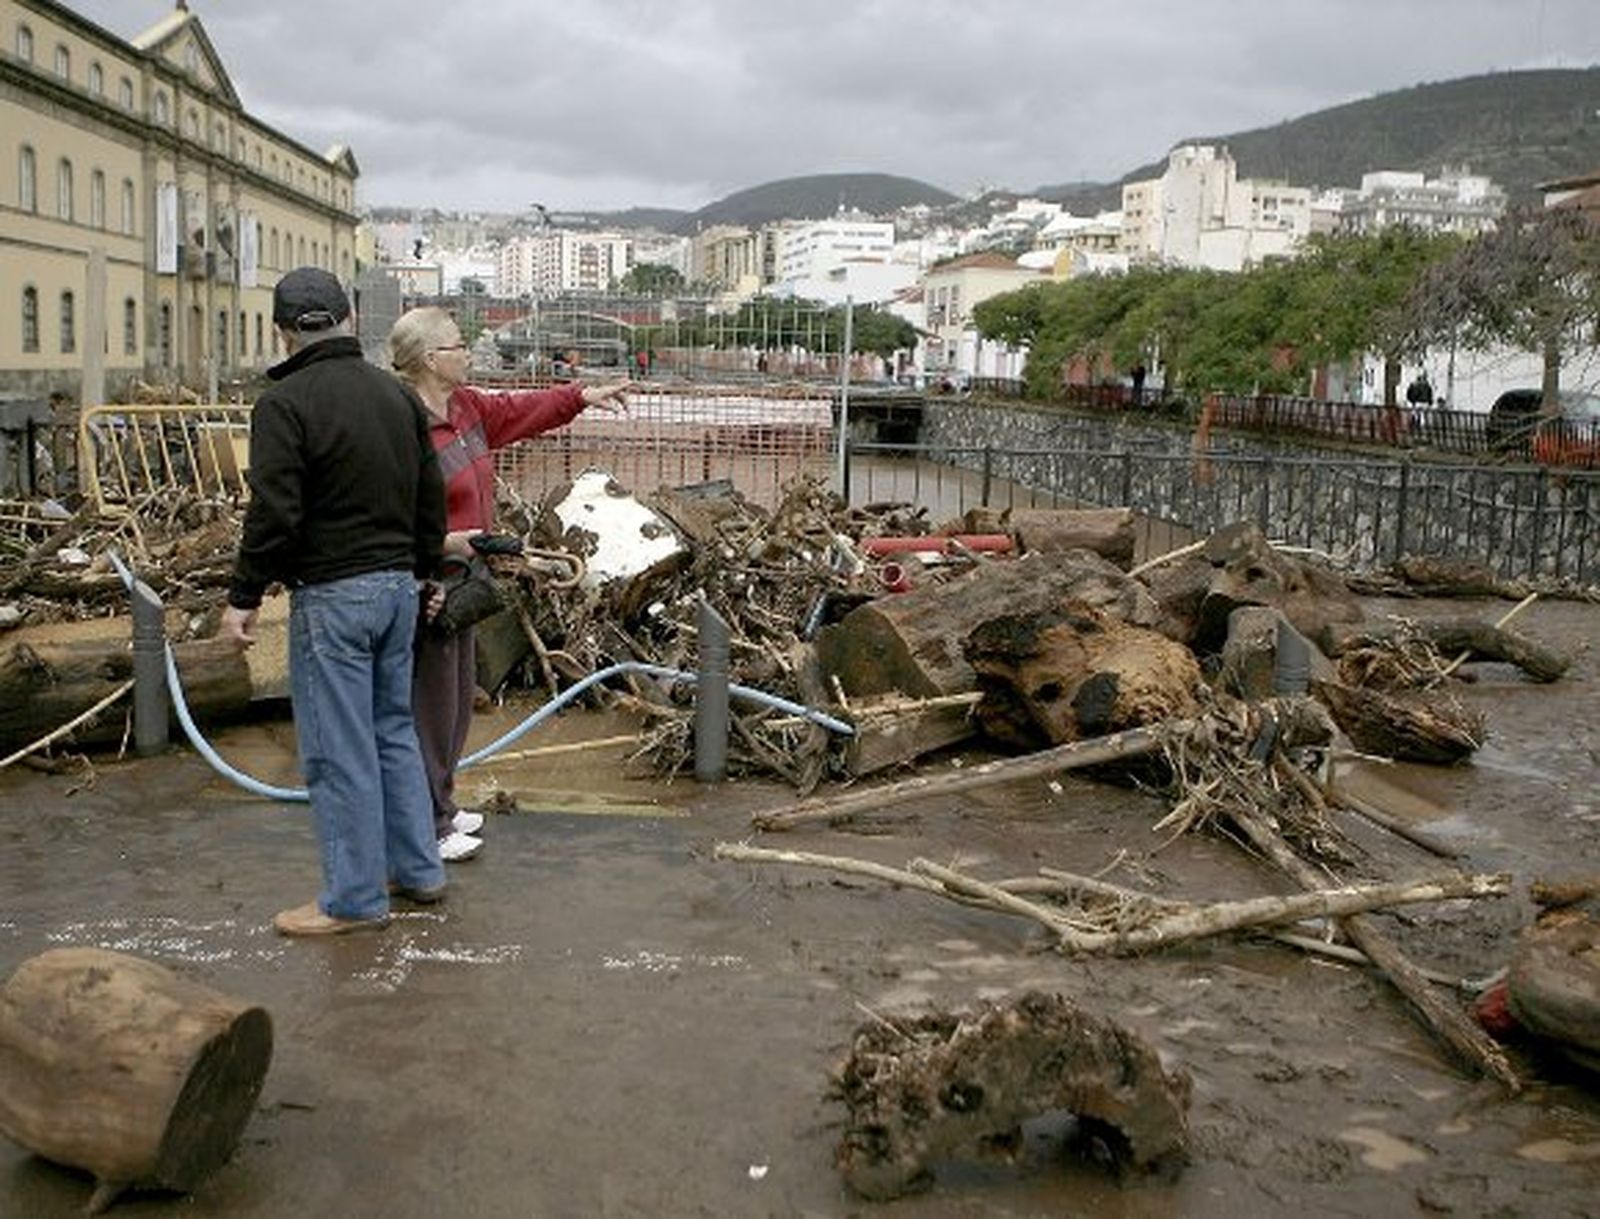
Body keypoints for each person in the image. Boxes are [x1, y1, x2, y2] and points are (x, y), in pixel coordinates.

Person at [221, 268, 447, 937]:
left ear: (281, 330)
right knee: (393, 732)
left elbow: (276, 512)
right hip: (397, 590)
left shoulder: (284, 405)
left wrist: (244, 595)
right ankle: (419, 870)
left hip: (333, 597)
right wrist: (426, 575)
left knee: (337, 748)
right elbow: (428, 496)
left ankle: (353, 898)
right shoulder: (395, 395)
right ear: (348, 317)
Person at [388, 306, 629, 861]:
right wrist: (443, 544)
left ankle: (442, 801)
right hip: (426, 577)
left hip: (467, 574)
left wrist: (578, 398)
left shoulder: (467, 408)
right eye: (458, 345)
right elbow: (389, 508)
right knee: (427, 703)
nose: (468, 352)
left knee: (456, 701)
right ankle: (428, 823)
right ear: (429, 358)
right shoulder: (402, 423)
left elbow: (521, 410)